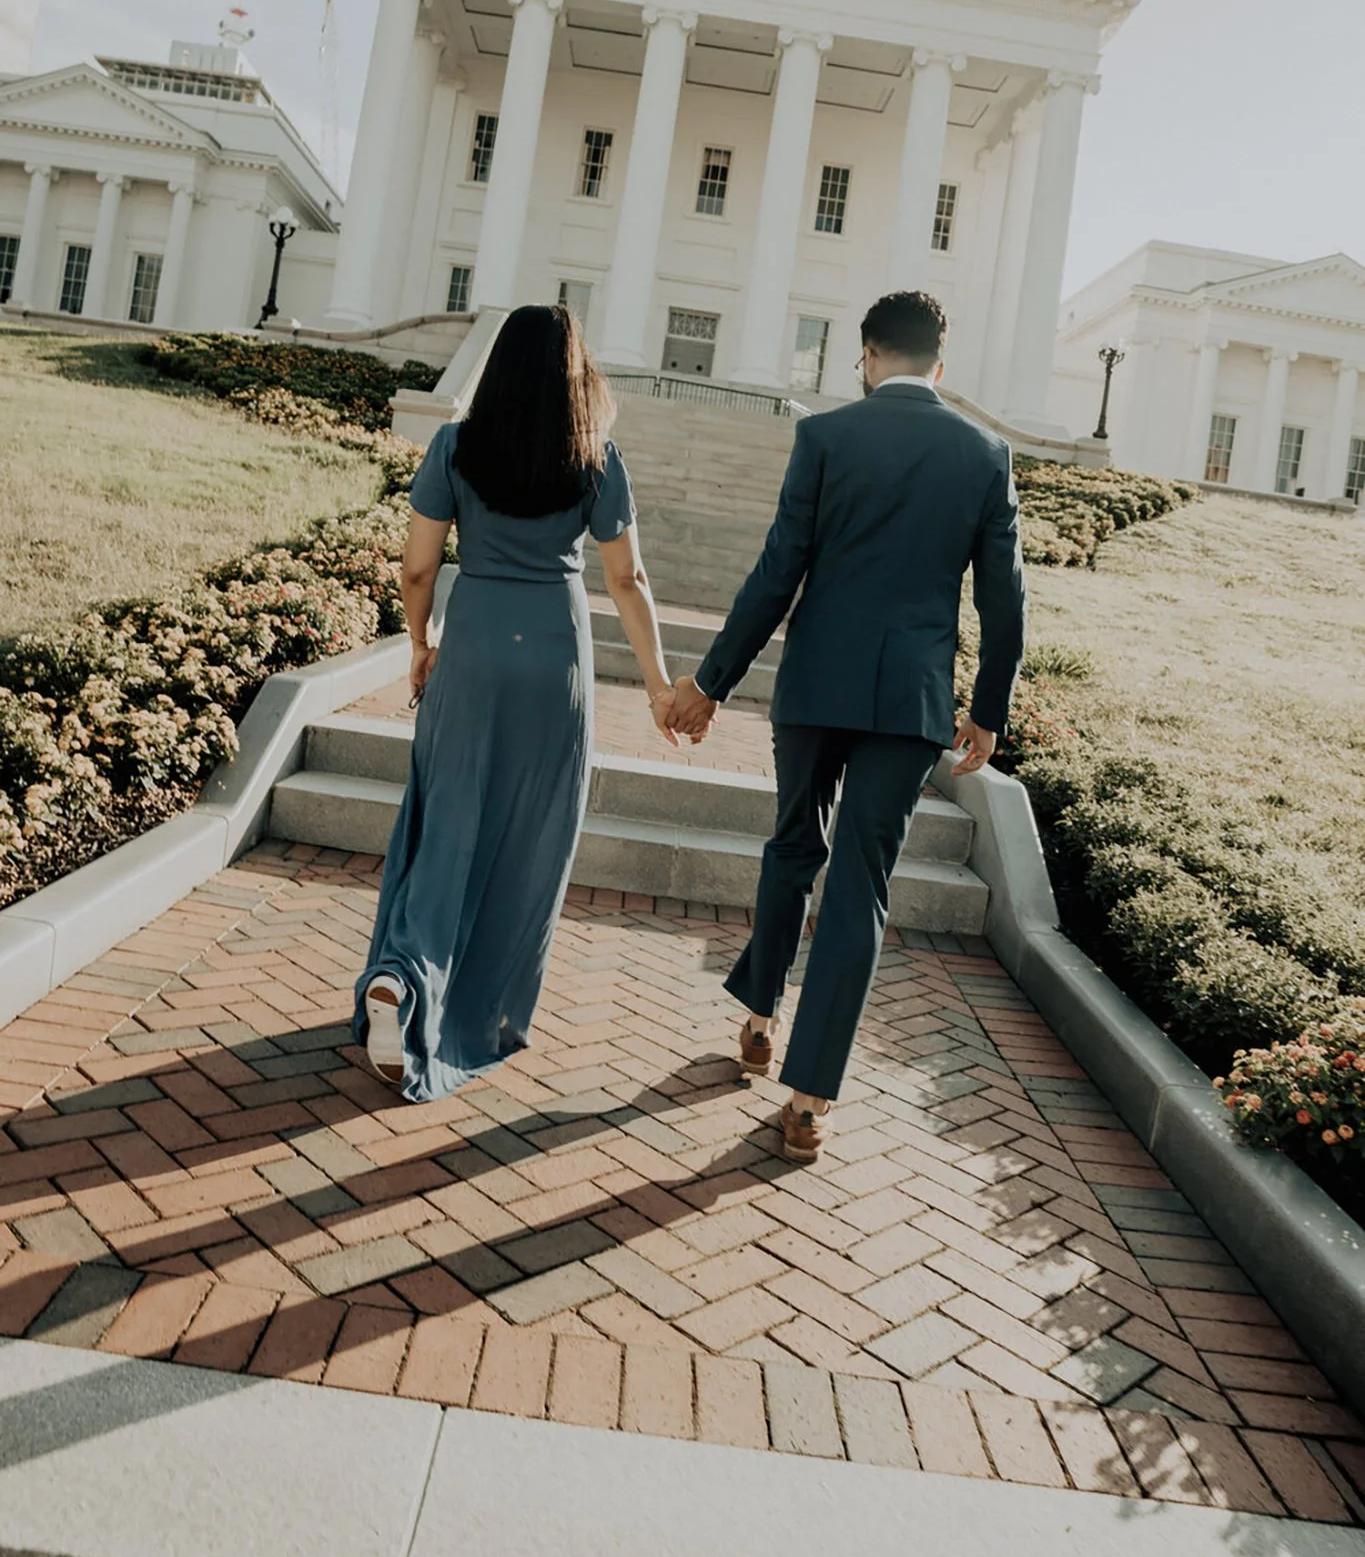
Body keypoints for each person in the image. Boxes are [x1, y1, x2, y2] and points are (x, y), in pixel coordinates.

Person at [668, 290, 1027, 1164]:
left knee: (794, 843)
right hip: (908, 703)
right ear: (940, 367)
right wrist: (987, 710)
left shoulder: (824, 437)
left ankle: (759, 1015)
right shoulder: (985, 453)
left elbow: (776, 572)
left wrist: (711, 682)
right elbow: (1003, 597)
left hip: (815, 685)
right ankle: (809, 1096)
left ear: (864, 355)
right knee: (860, 883)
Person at [353, 304, 678, 1102]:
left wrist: (421, 645)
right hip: (555, 658)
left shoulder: (456, 445)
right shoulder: (596, 457)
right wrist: (661, 684)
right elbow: (627, 579)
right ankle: (477, 1005)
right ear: (576, 370)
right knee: (531, 836)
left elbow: (418, 571)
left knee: (449, 820)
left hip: (473, 648)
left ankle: (404, 973)